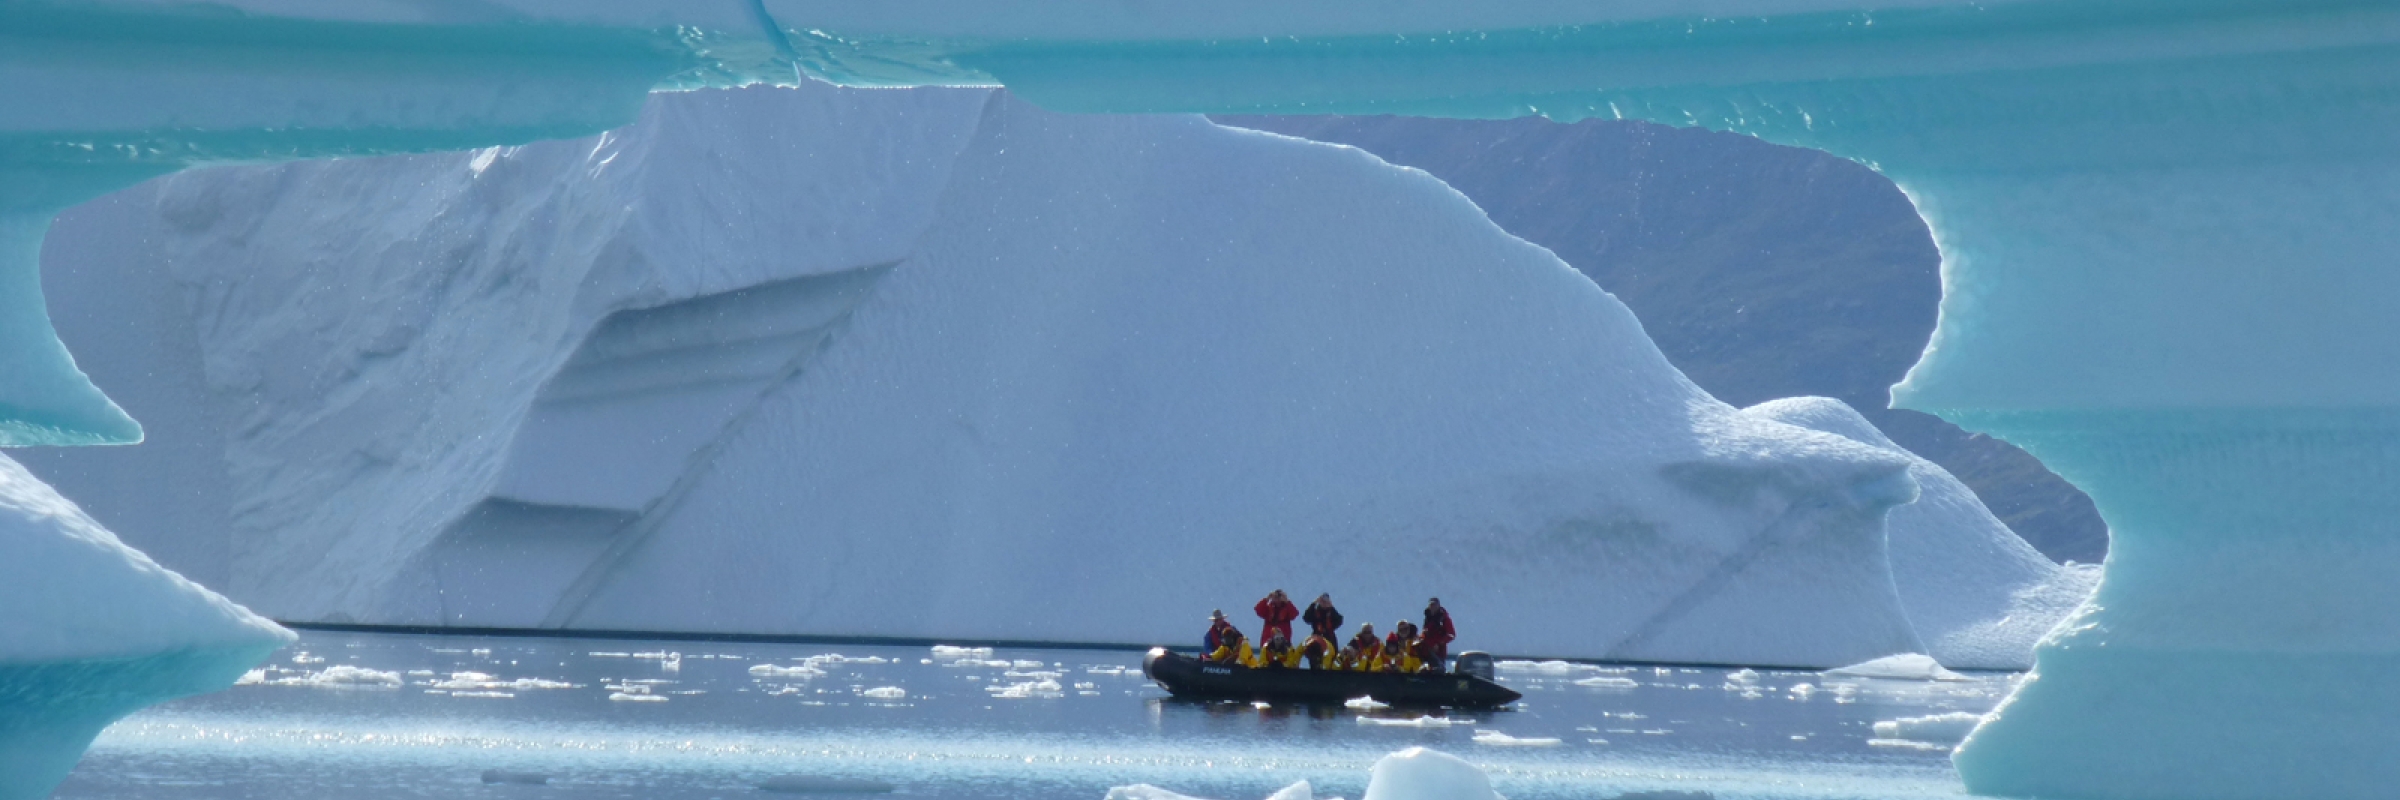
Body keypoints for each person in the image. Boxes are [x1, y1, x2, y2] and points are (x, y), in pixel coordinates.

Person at [1419, 597, 1456, 673]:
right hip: (1426, 651)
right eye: (1431, 605)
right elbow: (1425, 632)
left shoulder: (1444, 619)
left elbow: (1451, 635)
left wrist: (1439, 644)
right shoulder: (1427, 618)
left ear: (1439, 606)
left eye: (1435, 605)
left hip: (1439, 653)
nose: (1433, 607)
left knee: (1438, 672)